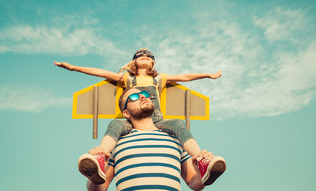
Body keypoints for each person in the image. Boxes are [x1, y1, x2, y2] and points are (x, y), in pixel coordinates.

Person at [54, 48, 222, 183]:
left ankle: (202, 161)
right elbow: (101, 73)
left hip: (157, 121)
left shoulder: (159, 78)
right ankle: (100, 158)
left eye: (149, 56)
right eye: (140, 55)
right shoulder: (127, 77)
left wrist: (207, 75)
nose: (144, 56)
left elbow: (185, 76)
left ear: (153, 63)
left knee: (178, 123)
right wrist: (74, 68)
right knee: (115, 124)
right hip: (130, 122)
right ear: (133, 61)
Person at [81, 88, 226, 191]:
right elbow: (99, 188)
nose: (142, 97)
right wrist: (94, 179)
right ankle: (98, 162)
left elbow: (194, 184)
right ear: (125, 113)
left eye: (143, 94)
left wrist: (201, 175)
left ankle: (203, 165)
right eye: (134, 98)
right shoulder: (118, 142)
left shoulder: (175, 139)